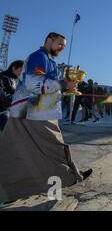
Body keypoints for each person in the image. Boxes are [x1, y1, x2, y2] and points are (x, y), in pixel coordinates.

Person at [0, 32, 92, 203]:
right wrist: (64, 84)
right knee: (54, 148)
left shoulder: (48, 60)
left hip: (34, 112)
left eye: (64, 46)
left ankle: (12, 190)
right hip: (33, 113)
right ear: (48, 41)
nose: (62, 48)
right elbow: (33, 84)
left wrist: (65, 86)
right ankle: (71, 177)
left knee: (18, 152)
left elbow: (47, 86)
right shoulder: (39, 56)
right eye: (59, 44)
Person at [0, 60, 24, 131]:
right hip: (3, 110)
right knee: (7, 118)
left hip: (11, 109)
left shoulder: (16, 80)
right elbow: (2, 98)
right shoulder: (2, 77)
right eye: (21, 70)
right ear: (14, 68)